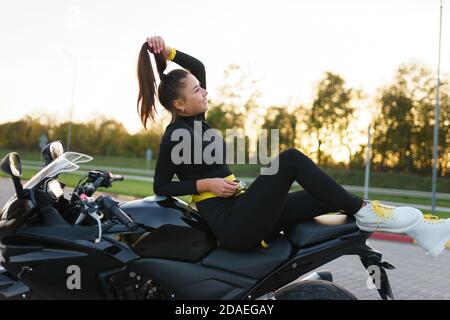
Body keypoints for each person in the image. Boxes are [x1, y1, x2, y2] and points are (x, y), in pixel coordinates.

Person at [136, 35, 450, 258]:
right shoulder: (174, 136)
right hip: (232, 224)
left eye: (201, 87)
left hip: (243, 208)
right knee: (288, 160)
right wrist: (206, 183)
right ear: (179, 104)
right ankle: (367, 212)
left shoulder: (198, 119)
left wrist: (168, 50)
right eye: (196, 90)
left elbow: (198, 66)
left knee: (324, 195)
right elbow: (160, 185)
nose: (204, 91)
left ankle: (423, 230)